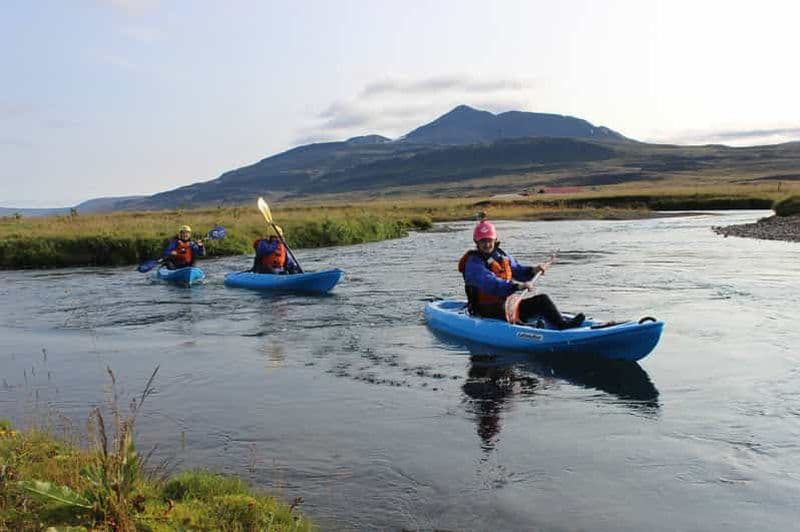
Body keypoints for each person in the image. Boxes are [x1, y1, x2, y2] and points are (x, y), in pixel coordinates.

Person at [458, 219, 585, 330]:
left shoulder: (501, 256)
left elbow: (518, 270)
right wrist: (517, 286)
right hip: (484, 309)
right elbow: (491, 284)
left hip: (507, 305)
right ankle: (528, 327)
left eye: (489, 240)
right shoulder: (473, 263)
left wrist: (534, 270)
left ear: (495, 240)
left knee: (542, 300)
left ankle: (562, 325)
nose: (486, 244)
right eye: (483, 241)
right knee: (504, 308)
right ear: (476, 242)